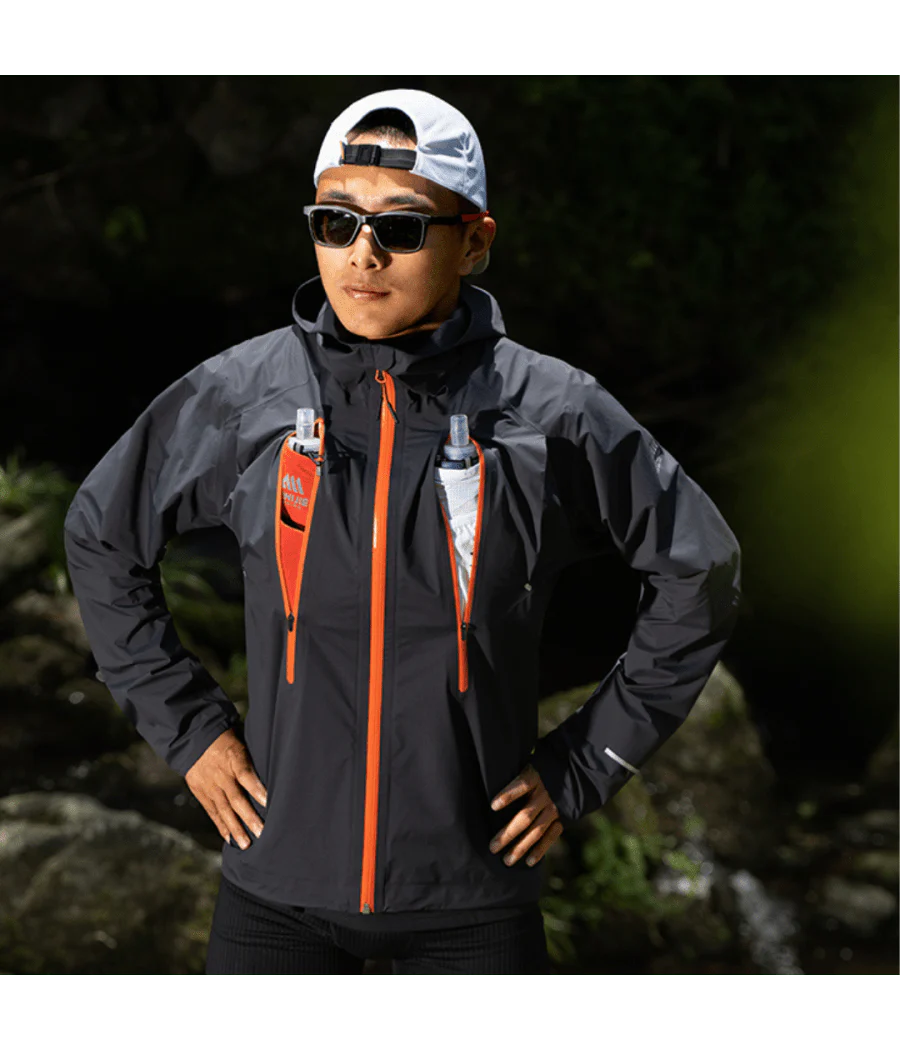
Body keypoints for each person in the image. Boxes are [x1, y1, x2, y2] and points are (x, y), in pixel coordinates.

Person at [63, 88, 742, 976]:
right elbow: (101, 534)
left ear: (475, 242)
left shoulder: (550, 411)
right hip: (275, 899)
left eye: (403, 228)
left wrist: (585, 763)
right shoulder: (244, 394)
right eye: (335, 222)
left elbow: (701, 568)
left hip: (471, 904)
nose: (363, 253)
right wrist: (188, 730)